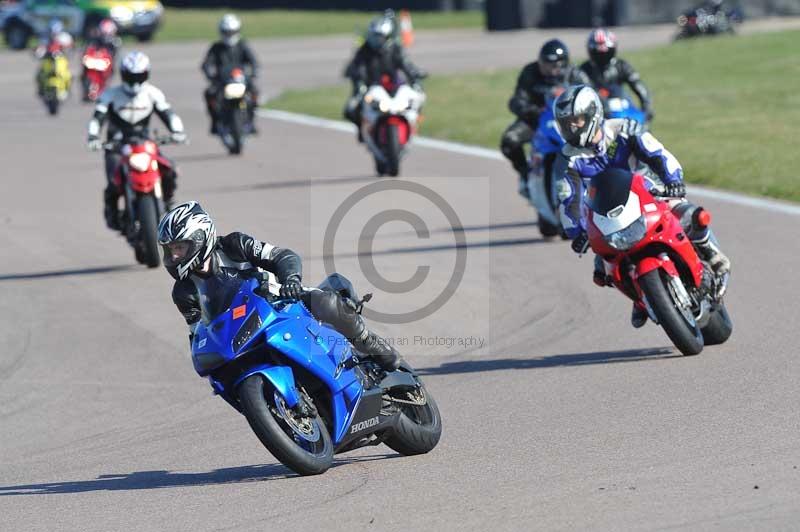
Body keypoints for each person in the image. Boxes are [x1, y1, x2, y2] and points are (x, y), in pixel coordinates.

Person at [552, 85, 730, 327]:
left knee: (691, 216)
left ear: (593, 113)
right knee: (603, 270)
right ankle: (642, 299)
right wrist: (577, 231)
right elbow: (568, 198)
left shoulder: (624, 129)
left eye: (576, 121)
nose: (572, 128)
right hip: (608, 216)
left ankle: (714, 258)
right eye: (566, 124)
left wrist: (673, 180)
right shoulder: (567, 158)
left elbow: (657, 152)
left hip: (651, 193)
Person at [157, 201, 401, 372]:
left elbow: (282, 256)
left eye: (180, 247)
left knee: (325, 301)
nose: (175, 256)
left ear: (201, 238)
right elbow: (198, 334)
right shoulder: (183, 292)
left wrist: (291, 281)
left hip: (281, 303)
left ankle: (367, 340)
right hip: (241, 333)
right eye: (170, 250)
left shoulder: (234, 245)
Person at [86, 51, 187, 230]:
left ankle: (168, 199)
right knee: (113, 181)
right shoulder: (110, 95)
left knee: (169, 168)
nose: (135, 82)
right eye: (131, 77)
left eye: (139, 76)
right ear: (124, 75)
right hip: (117, 145)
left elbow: (168, 114)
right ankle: (112, 213)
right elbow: (97, 118)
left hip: (145, 143)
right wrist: (93, 137)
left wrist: (178, 131)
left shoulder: (152, 93)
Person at [501, 39, 591, 197]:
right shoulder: (530, 72)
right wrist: (531, 110)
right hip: (536, 119)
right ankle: (525, 174)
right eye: (545, 64)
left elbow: (592, 97)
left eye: (553, 65)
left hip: (569, 120)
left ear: (563, 64)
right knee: (509, 140)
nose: (548, 69)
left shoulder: (576, 74)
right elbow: (517, 99)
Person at [343, 10, 427, 141]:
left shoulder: (394, 48)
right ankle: (361, 131)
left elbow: (406, 64)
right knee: (350, 109)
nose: (376, 40)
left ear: (387, 37)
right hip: (370, 86)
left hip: (393, 85)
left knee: (417, 97)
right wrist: (355, 74)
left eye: (379, 37)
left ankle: (412, 124)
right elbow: (353, 66)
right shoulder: (365, 50)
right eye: (374, 36)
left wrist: (416, 74)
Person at [201, 13, 259, 135]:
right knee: (209, 94)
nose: (229, 35)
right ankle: (215, 122)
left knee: (254, 93)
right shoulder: (216, 47)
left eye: (232, 32)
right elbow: (206, 64)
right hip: (222, 80)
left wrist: (253, 73)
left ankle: (251, 121)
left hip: (241, 79)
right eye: (227, 32)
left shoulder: (242, 45)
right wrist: (211, 77)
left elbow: (254, 62)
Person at [579, 28, 652, 121]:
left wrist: (646, 107)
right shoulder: (584, 70)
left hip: (622, 107)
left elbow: (638, 85)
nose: (602, 57)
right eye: (598, 53)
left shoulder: (622, 66)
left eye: (605, 53)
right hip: (596, 112)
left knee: (643, 129)